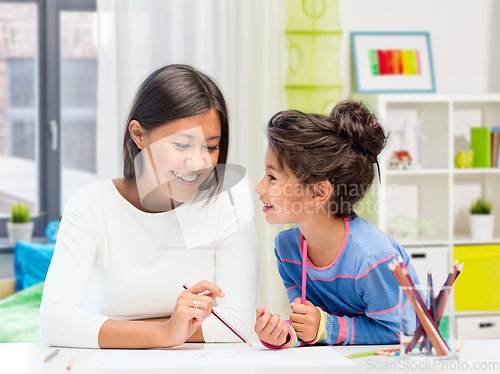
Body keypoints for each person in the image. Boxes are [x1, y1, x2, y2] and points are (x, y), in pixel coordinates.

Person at [39, 64, 258, 349]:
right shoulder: (91, 206)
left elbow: (238, 324)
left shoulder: (225, 205)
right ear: (139, 134)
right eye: (181, 145)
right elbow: (55, 321)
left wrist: (112, 330)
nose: (198, 162)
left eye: (211, 146)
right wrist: (165, 332)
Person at [253, 101, 420, 348]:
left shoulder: (372, 257)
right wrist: (285, 335)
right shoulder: (287, 250)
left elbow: (403, 331)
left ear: (319, 192)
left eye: (273, 178)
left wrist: (324, 327)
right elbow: (311, 325)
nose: (259, 188)